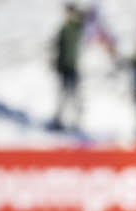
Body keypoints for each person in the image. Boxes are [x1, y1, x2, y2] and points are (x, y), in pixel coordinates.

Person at [50, 3, 85, 132]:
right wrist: (57, 64)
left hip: (73, 66)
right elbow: (57, 48)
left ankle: (77, 122)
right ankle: (59, 121)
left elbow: (85, 20)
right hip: (64, 66)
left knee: (75, 95)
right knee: (62, 95)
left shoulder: (77, 27)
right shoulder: (63, 29)